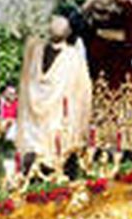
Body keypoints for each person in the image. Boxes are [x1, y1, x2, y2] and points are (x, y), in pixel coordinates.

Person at [16, 16, 93, 163]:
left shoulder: (35, 49)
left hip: (36, 126)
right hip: (57, 123)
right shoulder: (73, 57)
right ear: (69, 32)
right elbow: (83, 92)